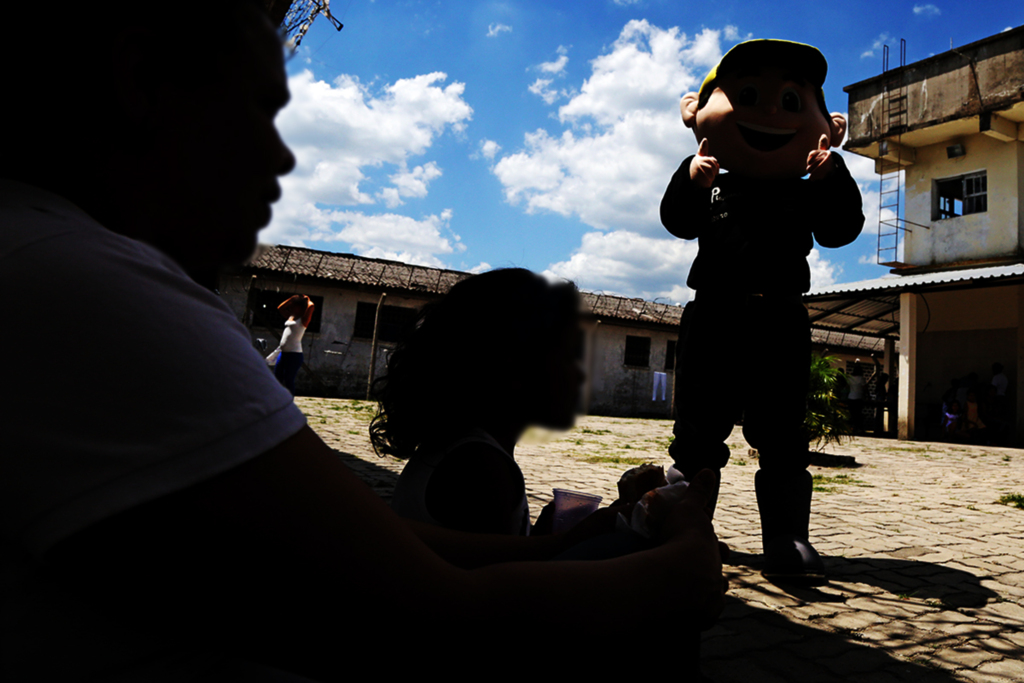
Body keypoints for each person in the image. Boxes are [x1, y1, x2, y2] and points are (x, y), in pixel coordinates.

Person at [1, 2, 726, 679]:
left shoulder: (41, 253)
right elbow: (438, 618)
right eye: (260, 108)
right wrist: (678, 555)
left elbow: (369, 545)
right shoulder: (100, 293)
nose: (283, 159)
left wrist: (566, 538)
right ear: (142, 84)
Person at [661, 40, 864, 584]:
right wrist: (690, 180)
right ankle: (685, 530)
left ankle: (787, 538)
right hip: (713, 318)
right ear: (693, 111)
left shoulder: (807, 190)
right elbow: (677, 223)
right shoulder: (711, 181)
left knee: (782, 437)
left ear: (830, 123)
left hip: (781, 322)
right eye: (748, 95)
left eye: (793, 101)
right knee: (698, 435)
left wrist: (832, 175)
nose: (772, 112)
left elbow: (841, 231)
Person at [267, 294, 315, 393]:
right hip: (283, 353)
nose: (291, 307)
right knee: (277, 378)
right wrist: (291, 299)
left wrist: (307, 299)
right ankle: (277, 401)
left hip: (294, 355)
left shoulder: (303, 320)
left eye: (294, 306)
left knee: (288, 380)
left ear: (300, 307)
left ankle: (289, 403)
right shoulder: (291, 316)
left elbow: (311, 306)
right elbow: (280, 308)